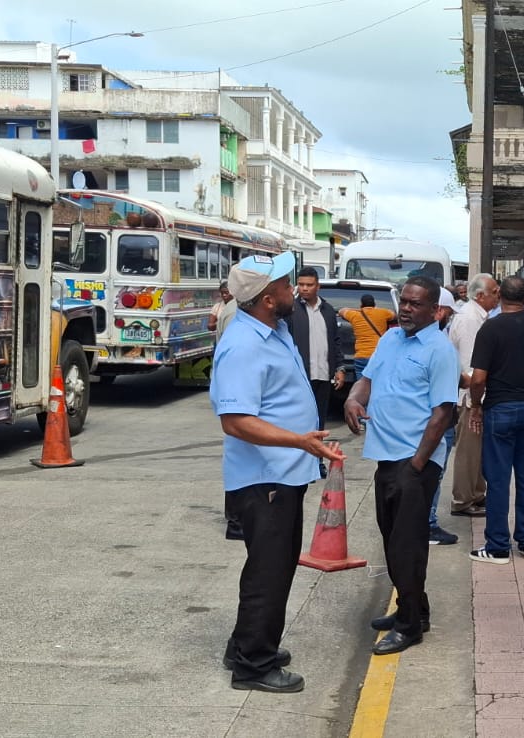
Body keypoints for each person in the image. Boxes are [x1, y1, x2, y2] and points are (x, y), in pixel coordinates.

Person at [210, 251, 346, 694]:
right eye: (288, 285)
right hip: (263, 479)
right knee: (269, 572)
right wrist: (300, 441)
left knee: (275, 566)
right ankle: (253, 665)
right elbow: (236, 421)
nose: (296, 289)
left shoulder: (274, 329)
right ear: (269, 298)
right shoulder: (245, 344)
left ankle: (246, 644)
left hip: (284, 474)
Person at [344, 276, 459, 655]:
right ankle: (414, 609)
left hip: (414, 462)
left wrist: (417, 463)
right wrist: (353, 399)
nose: (406, 308)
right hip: (385, 457)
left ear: (434, 311)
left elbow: (444, 411)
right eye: (404, 302)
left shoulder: (439, 350)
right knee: (392, 539)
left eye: (415, 304)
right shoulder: (391, 338)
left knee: (406, 546)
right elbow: (367, 379)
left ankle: (410, 626)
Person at [467, 276, 524, 564]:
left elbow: (479, 378)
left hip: (500, 408)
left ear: (501, 296)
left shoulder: (490, 329)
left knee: (497, 479)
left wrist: (476, 405)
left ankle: (497, 547)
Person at [447, 273, 498, 519]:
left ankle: (476, 494)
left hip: (476, 394)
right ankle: (463, 499)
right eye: (495, 292)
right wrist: (475, 400)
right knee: (468, 451)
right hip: (470, 396)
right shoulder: (469, 319)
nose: (498, 296)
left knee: (477, 450)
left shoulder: (479, 316)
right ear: (480, 295)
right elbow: (469, 368)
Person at [289, 267, 347, 430]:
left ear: (318, 286)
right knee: (300, 422)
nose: (305, 288)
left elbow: (335, 341)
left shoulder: (327, 310)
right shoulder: (291, 310)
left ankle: (317, 455)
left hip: (323, 376)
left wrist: (339, 368)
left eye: (309, 285)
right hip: (300, 377)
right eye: (301, 285)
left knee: (319, 422)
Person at [427, 287, 461, 546]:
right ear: (439, 311)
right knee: (433, 470)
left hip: (439, 418)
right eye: (448, 312)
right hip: (437, 419)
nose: (450, 317)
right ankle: (427, 524)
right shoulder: (437, 345)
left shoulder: (436, 340)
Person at [340, 294, 396, 376]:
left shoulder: (354, 315)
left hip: (361, 357)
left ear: (361, 304)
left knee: (361, 385)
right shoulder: (383, 313)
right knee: (378, 383)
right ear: (374, 303)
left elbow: (342, 310)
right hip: (378, 356)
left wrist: (359, 310)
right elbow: (393, 314)